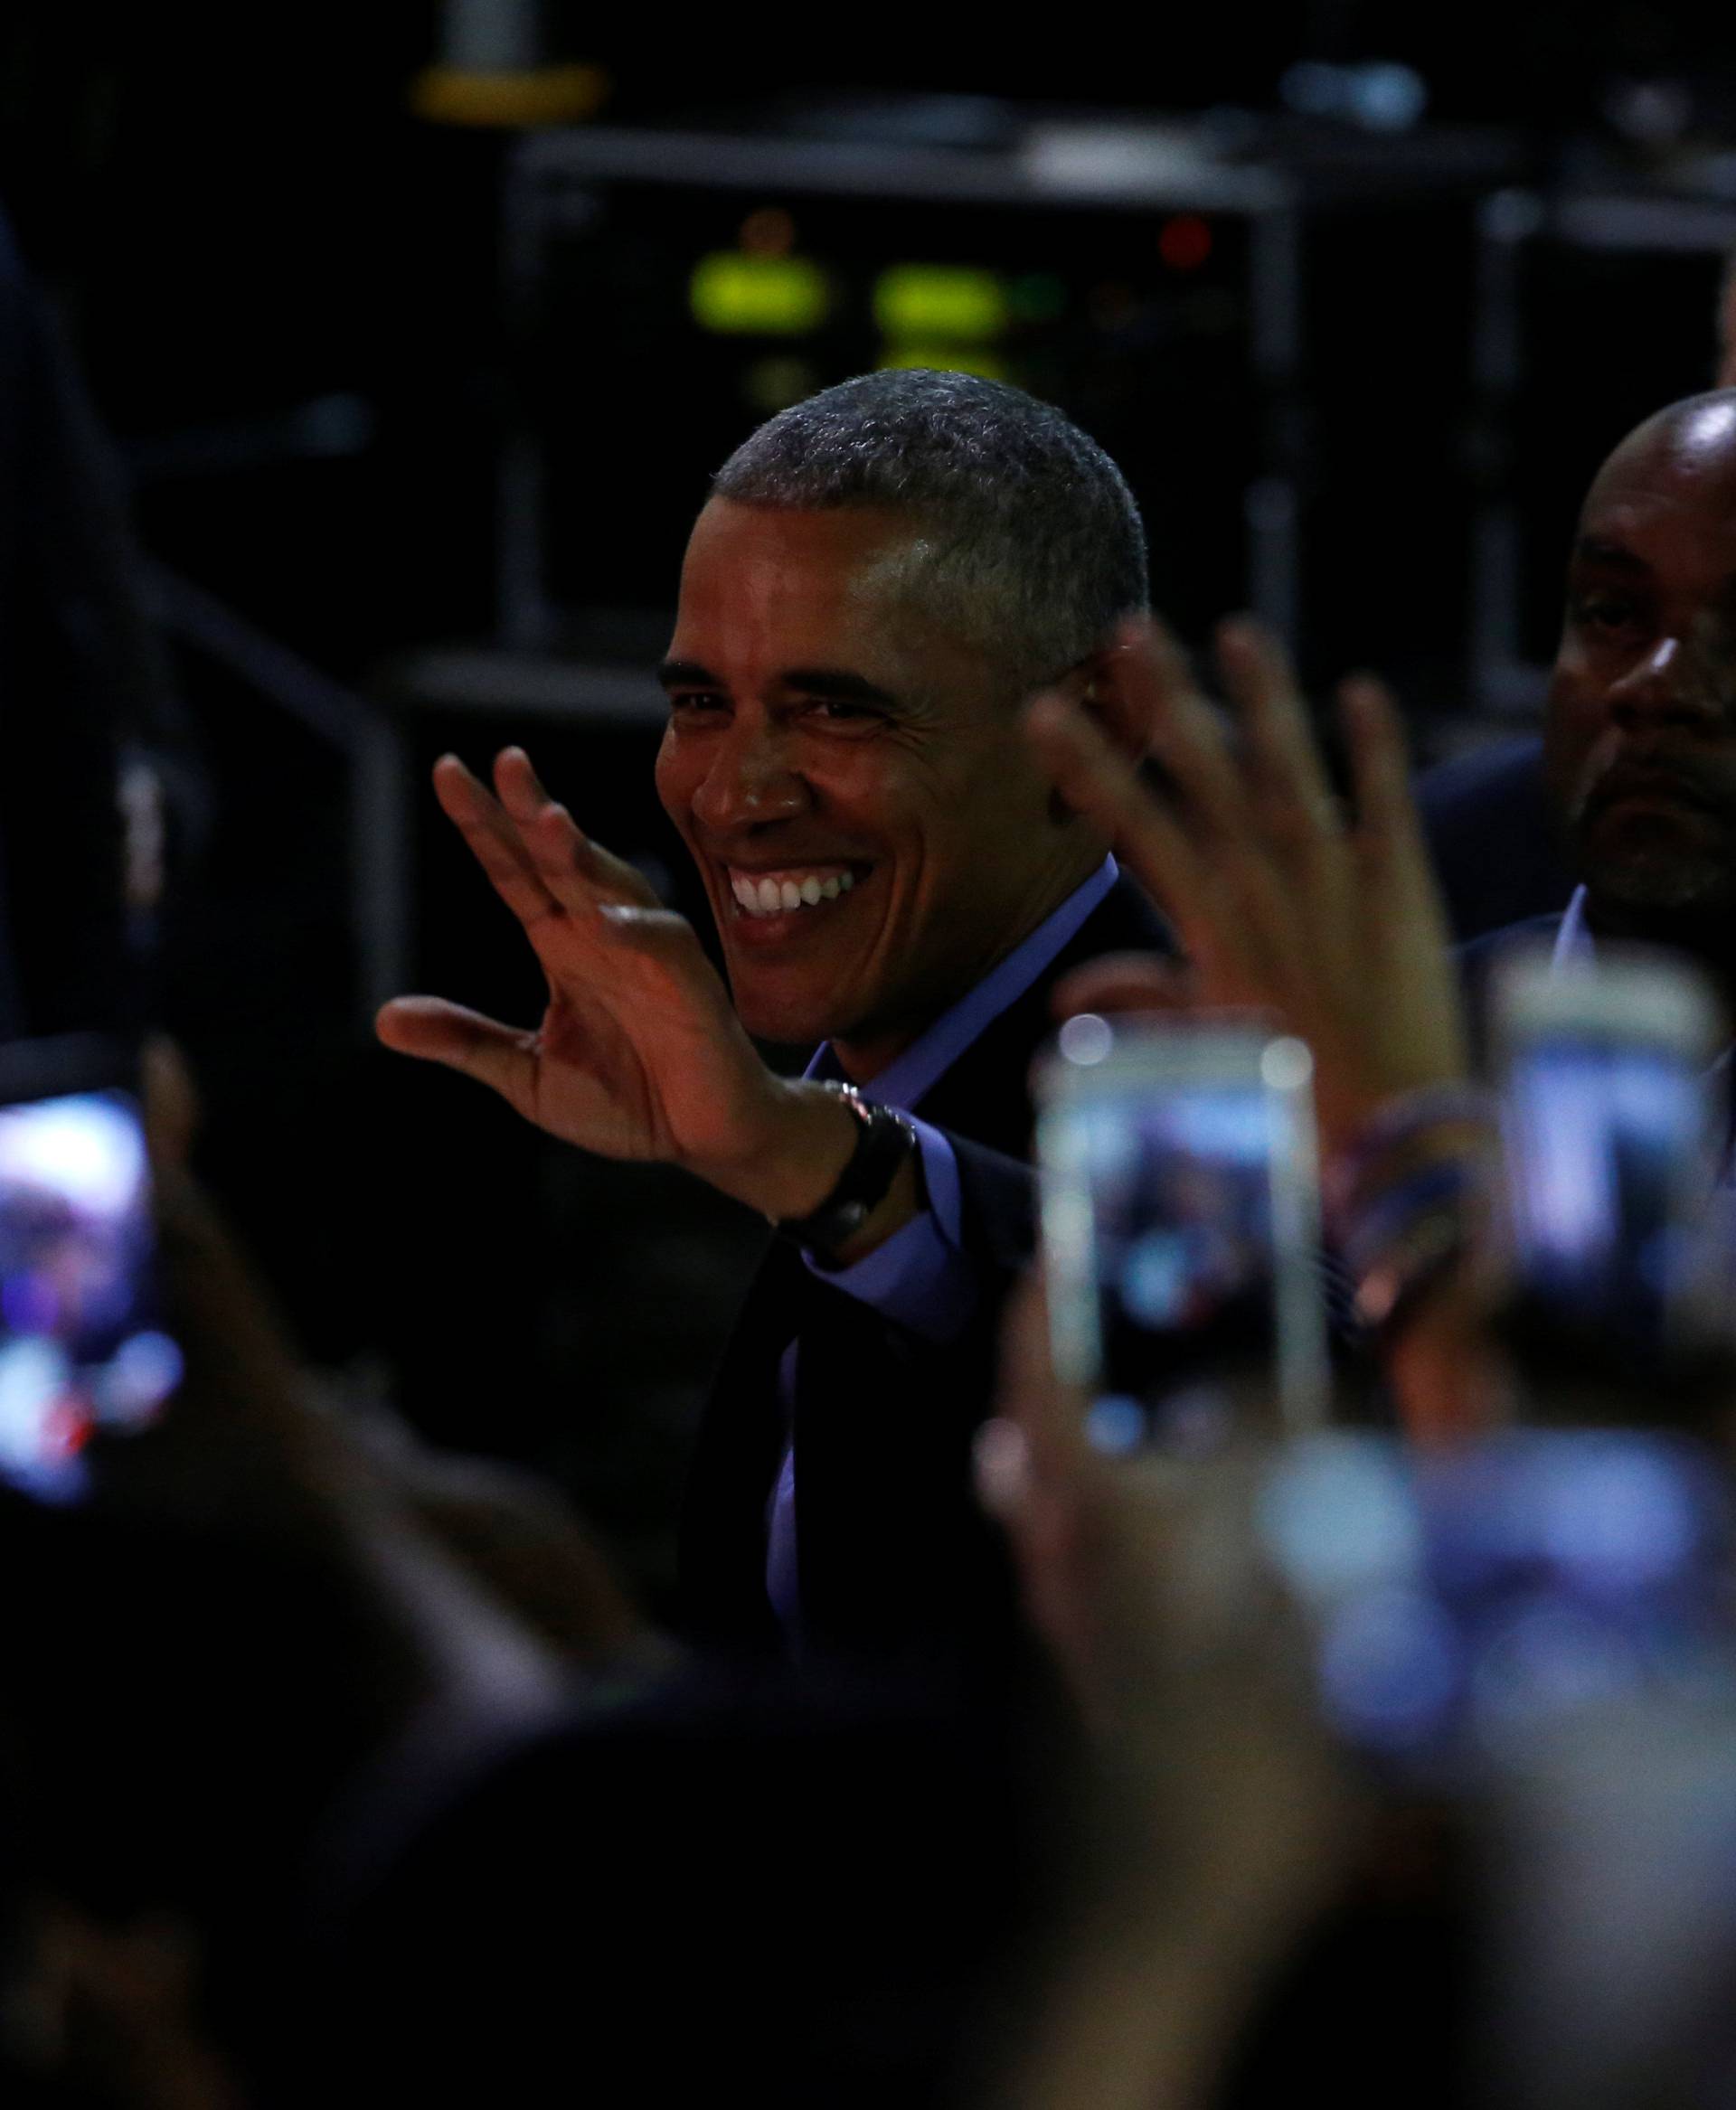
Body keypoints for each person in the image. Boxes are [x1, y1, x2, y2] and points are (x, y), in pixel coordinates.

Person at [377, 369, 1168, 1669]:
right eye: (701, 706)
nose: (733, 793)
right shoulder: (841, 1079)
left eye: (835, 708)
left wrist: (813, 1163)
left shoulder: (1216, 1101)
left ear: (1091, 725)